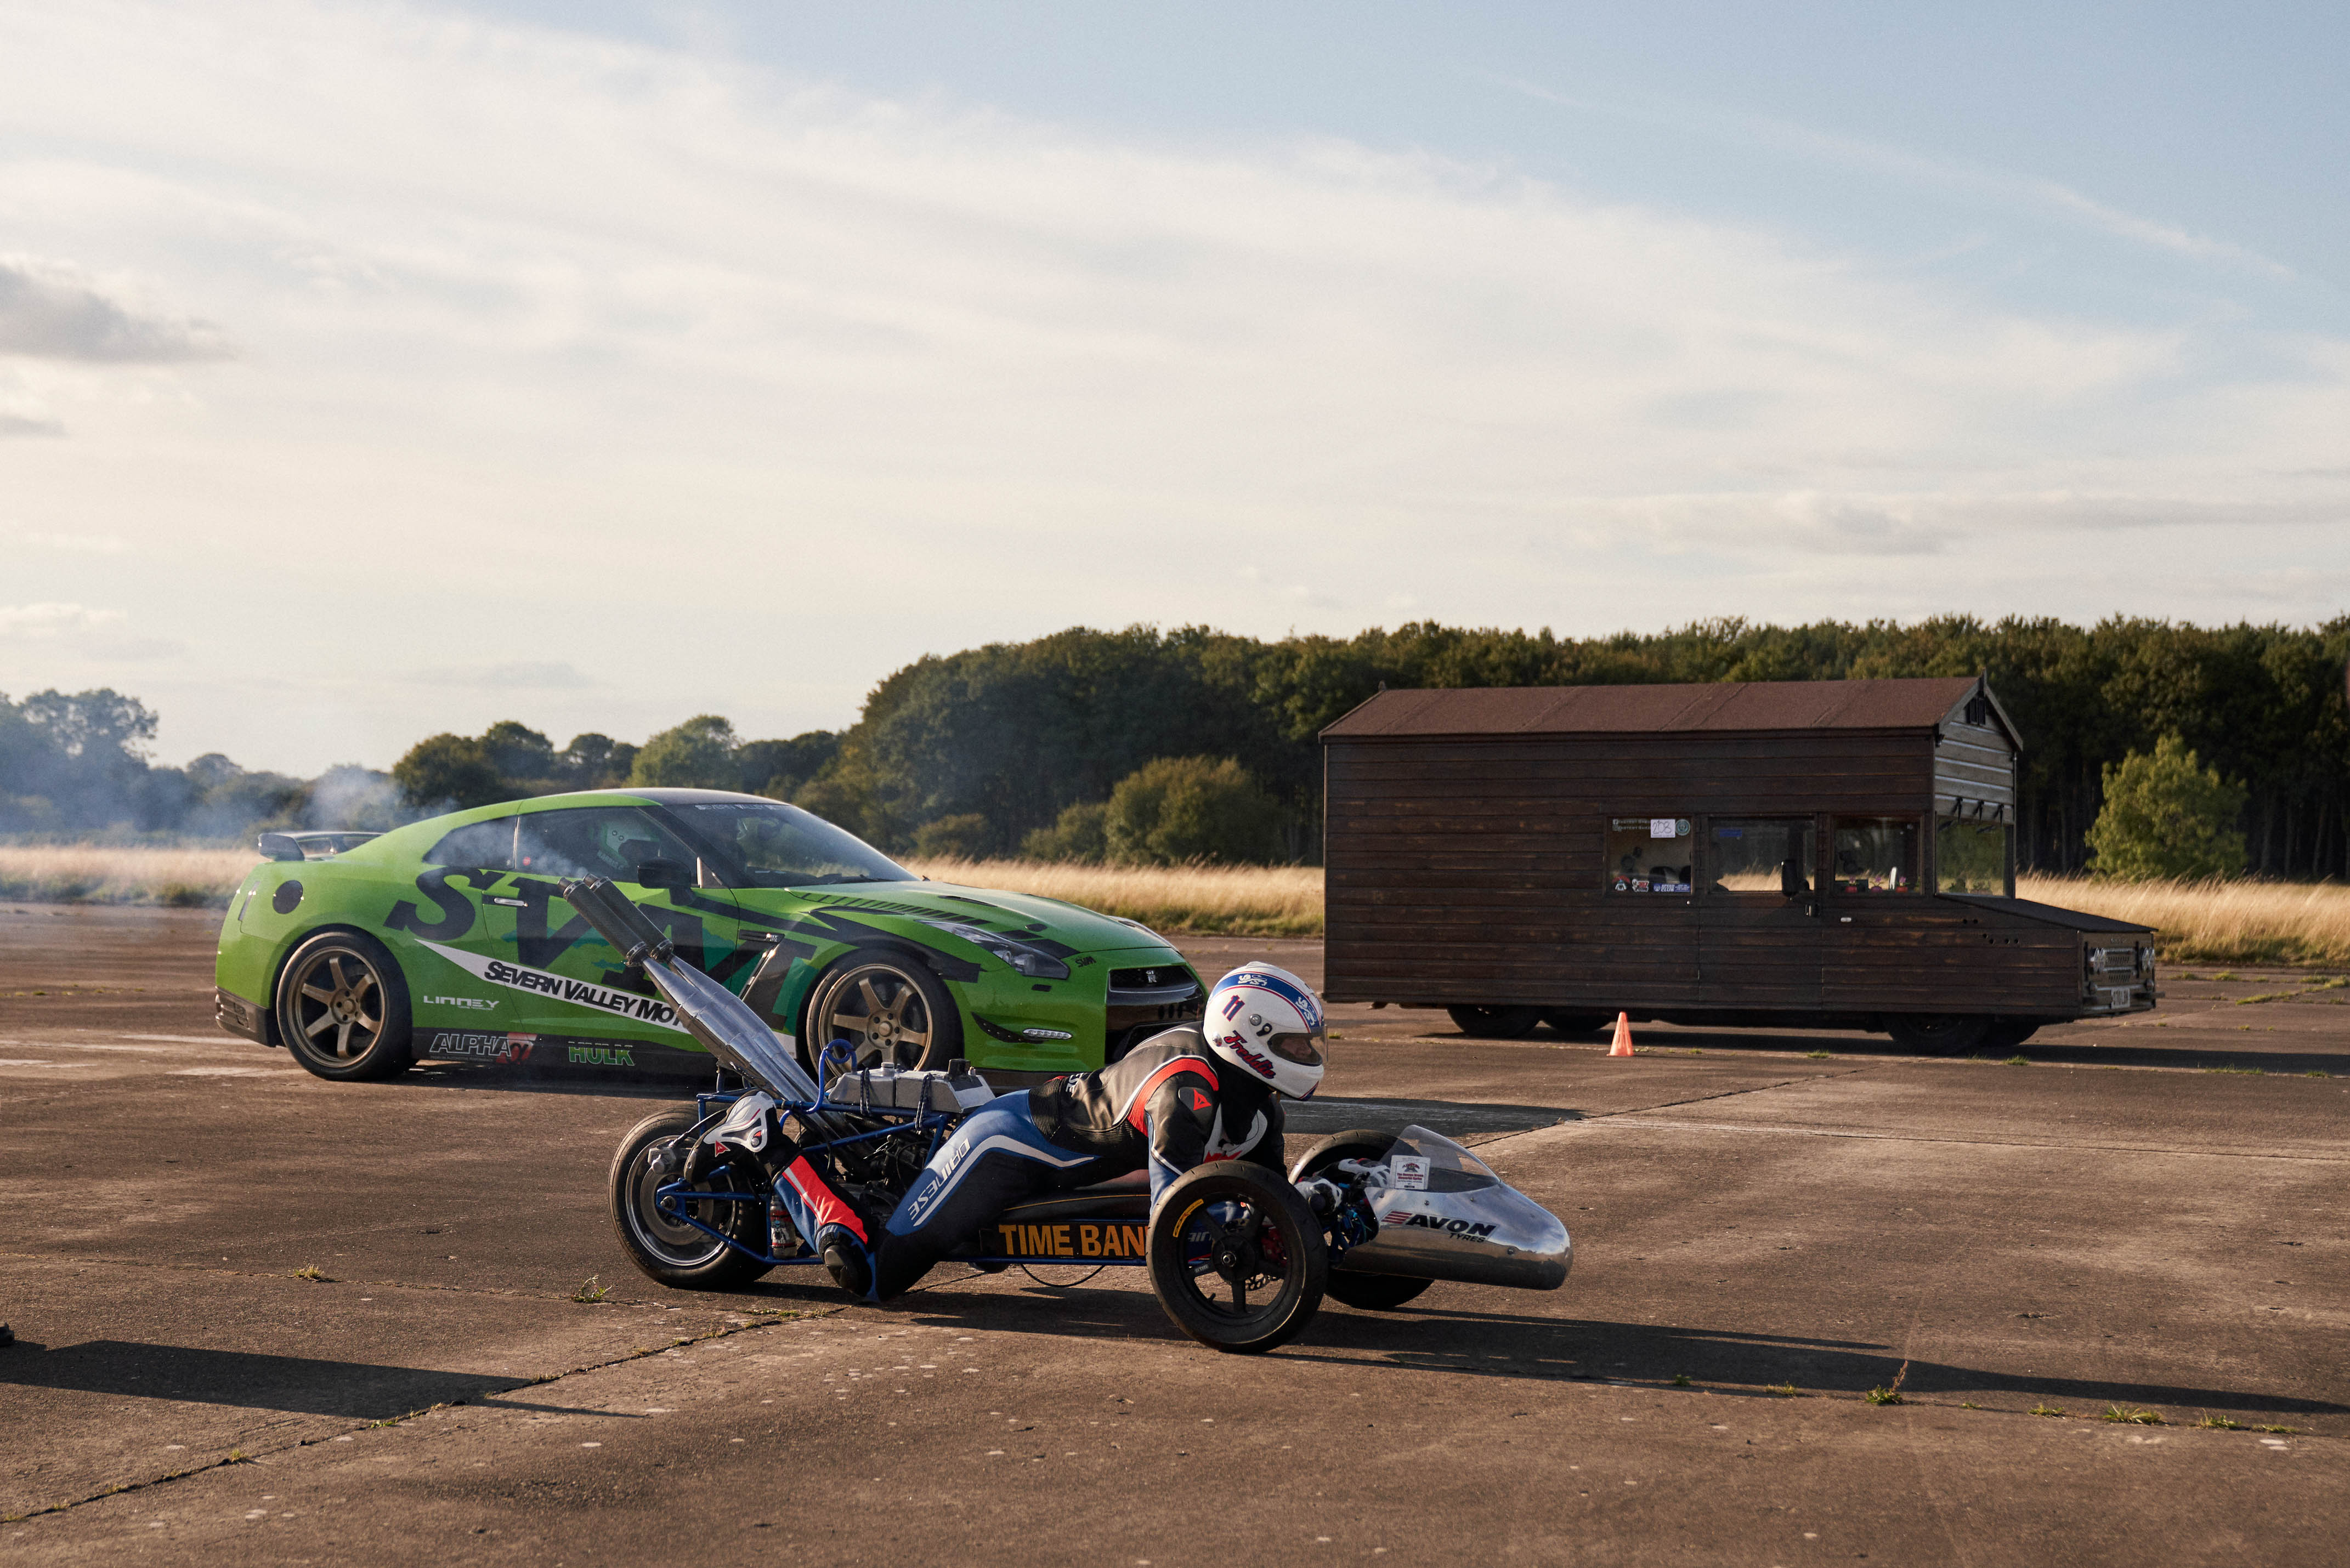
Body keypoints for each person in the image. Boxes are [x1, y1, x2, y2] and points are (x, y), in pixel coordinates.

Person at [761, 962, 1327, 1302]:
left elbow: (1269, 1193)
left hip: (1055, 1156)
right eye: (1294, 1044)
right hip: (1003, 1146)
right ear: (1248, 1037)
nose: (1306, 1054)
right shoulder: (1185, 1091)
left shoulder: (1256, 1104)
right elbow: (1172, 1217)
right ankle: (771, 1148)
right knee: (873, 1276)